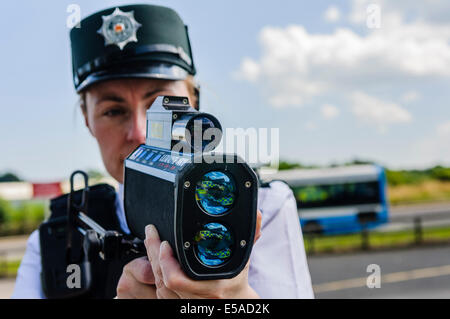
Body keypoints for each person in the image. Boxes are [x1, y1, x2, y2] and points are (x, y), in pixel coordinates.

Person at [12, 4, 314, 299]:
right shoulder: (55, 240)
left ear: (194, 102)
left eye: (163, 106)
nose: (140, 133)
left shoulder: (262, 205)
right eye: (114, 111)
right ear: (87, 119)